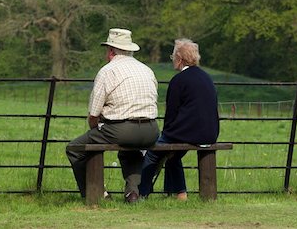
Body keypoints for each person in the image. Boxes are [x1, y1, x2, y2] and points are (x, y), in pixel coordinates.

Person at [66, 28, 160, 203]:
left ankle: (97, 193)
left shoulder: (108, 71)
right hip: (151, 130)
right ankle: (132, 193)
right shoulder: (147, 70)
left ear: (110, 51)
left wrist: (95, 129)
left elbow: (94, 113)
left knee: (75, 149)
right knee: (130, 152)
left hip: (121, 129)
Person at [139, 38, 220, 201]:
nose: (172, 60)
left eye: (173, 57)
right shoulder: (206, 77)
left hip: (186, 132)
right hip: (210, 132)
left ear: (180, 59)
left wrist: (166, 133)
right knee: (173, 156)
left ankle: (142, 193)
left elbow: (171, 112)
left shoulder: (179, 80)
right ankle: (179, 193)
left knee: (153, 154)